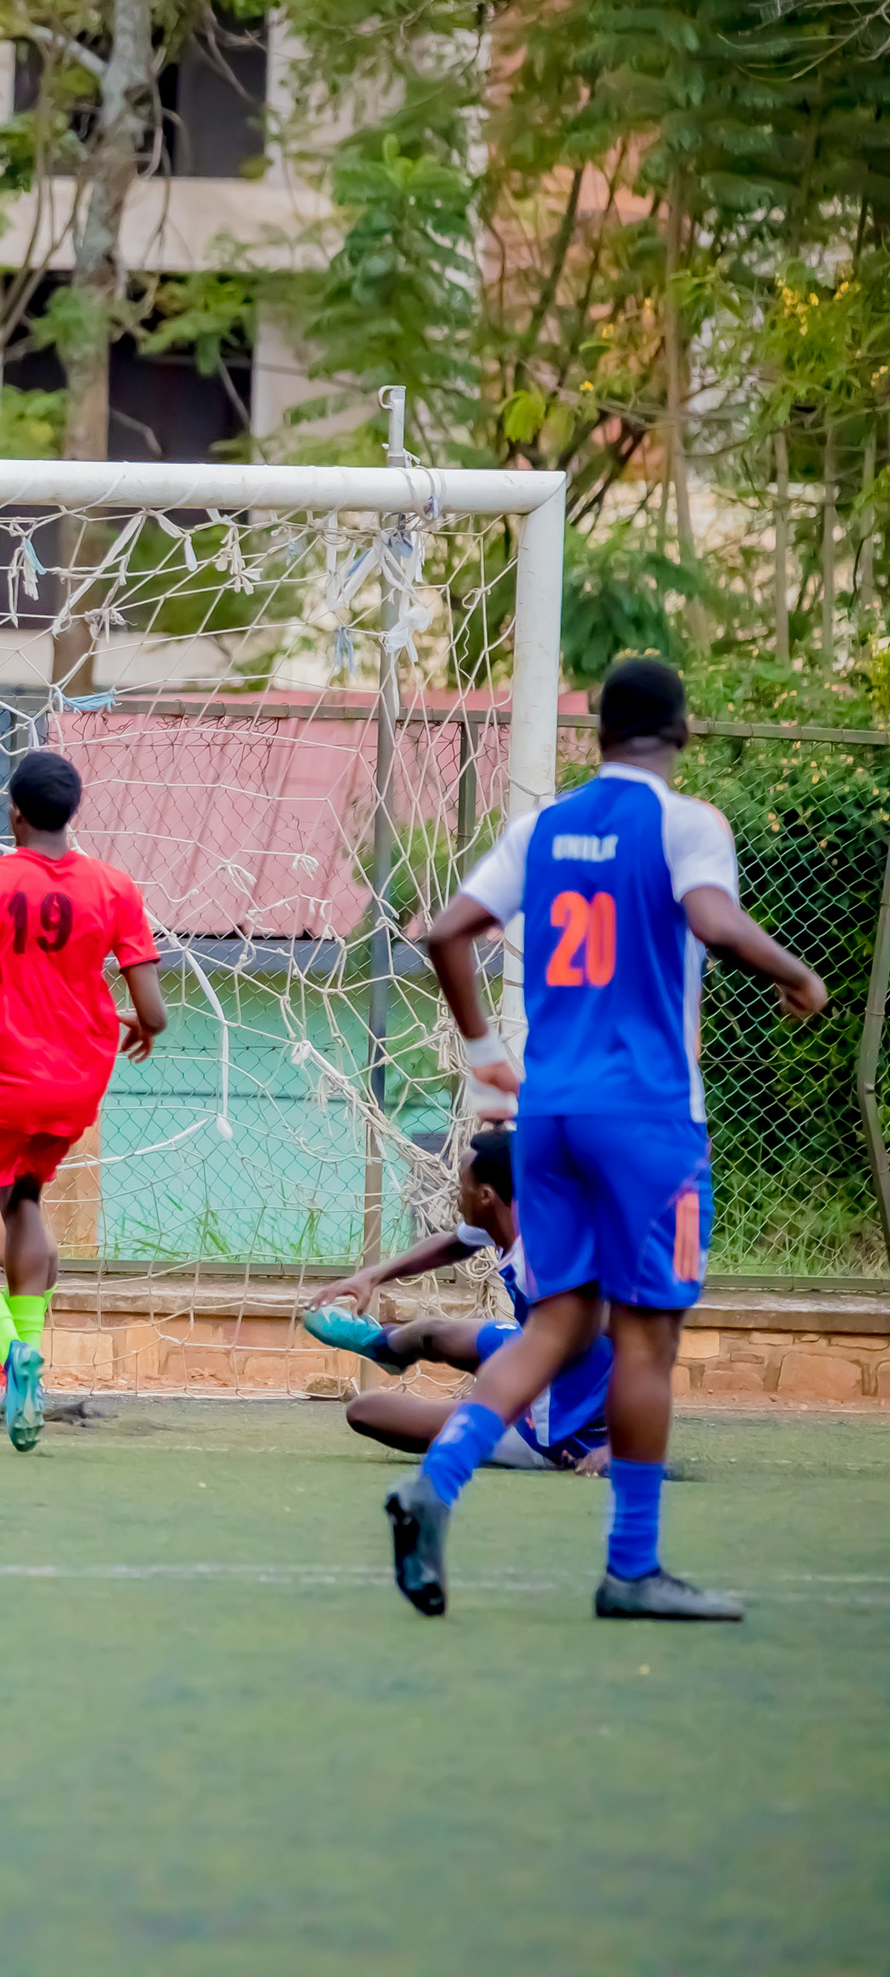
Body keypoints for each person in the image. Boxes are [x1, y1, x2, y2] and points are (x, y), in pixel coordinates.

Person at [394, 657, 826, 1620]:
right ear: (682, 732)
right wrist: (799, 975)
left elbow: (448, 931)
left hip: (548, 1114)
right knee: (645, 1340)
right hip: (647, 1119)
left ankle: (436, 1483)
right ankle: (632, 1568)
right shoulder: (687, 823)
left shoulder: (541, 828)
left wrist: (483, 1056)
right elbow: (713, 920)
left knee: (557, 1323)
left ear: (596, 736)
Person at [0, 749, 165, 1452]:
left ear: (15, 814)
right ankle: (31, 1356)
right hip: (80, 1077)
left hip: (7, 1074)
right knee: (23, 1197)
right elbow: (154, 1009)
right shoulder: (114, 887)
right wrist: (142, 1027)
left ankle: (8, 1351)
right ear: (73, 811)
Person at [303, 1127, 613, 1474]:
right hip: (538, 1354)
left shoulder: (547, 1266)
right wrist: (371, 1277)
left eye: (460, 1185)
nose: (454, 1194)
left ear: (486, 1195)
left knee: (364, 1411)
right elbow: (455, 1244)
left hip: (556, 1432)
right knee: (433, 1333)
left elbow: (636, 1339)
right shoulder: (521, 1215)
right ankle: (383, 1346)